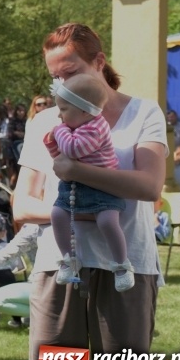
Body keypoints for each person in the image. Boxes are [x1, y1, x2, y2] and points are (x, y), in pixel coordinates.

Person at [13, 22, 166, 360]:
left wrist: (74, 170)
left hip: (125, 269)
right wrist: (80, 211)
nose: (63, 85)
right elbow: (21, 205)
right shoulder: (46, 122)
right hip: (59, 268)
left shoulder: (144, 113)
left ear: (99, 62)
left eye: (72, 72)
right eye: (55, 77)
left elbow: (149, 185)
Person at [44, 74, 132, 292]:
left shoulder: (96, 127)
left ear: (85, 111)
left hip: (103, 187)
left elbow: (74, 149)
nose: (59, 115)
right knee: (57, 215)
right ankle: (68, 259)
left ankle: (122, 264)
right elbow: (62, 157)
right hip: (75, 186)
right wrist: (51, 144)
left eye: (64, 110)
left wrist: (59, 131)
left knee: (107, 222)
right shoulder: (76, 126)